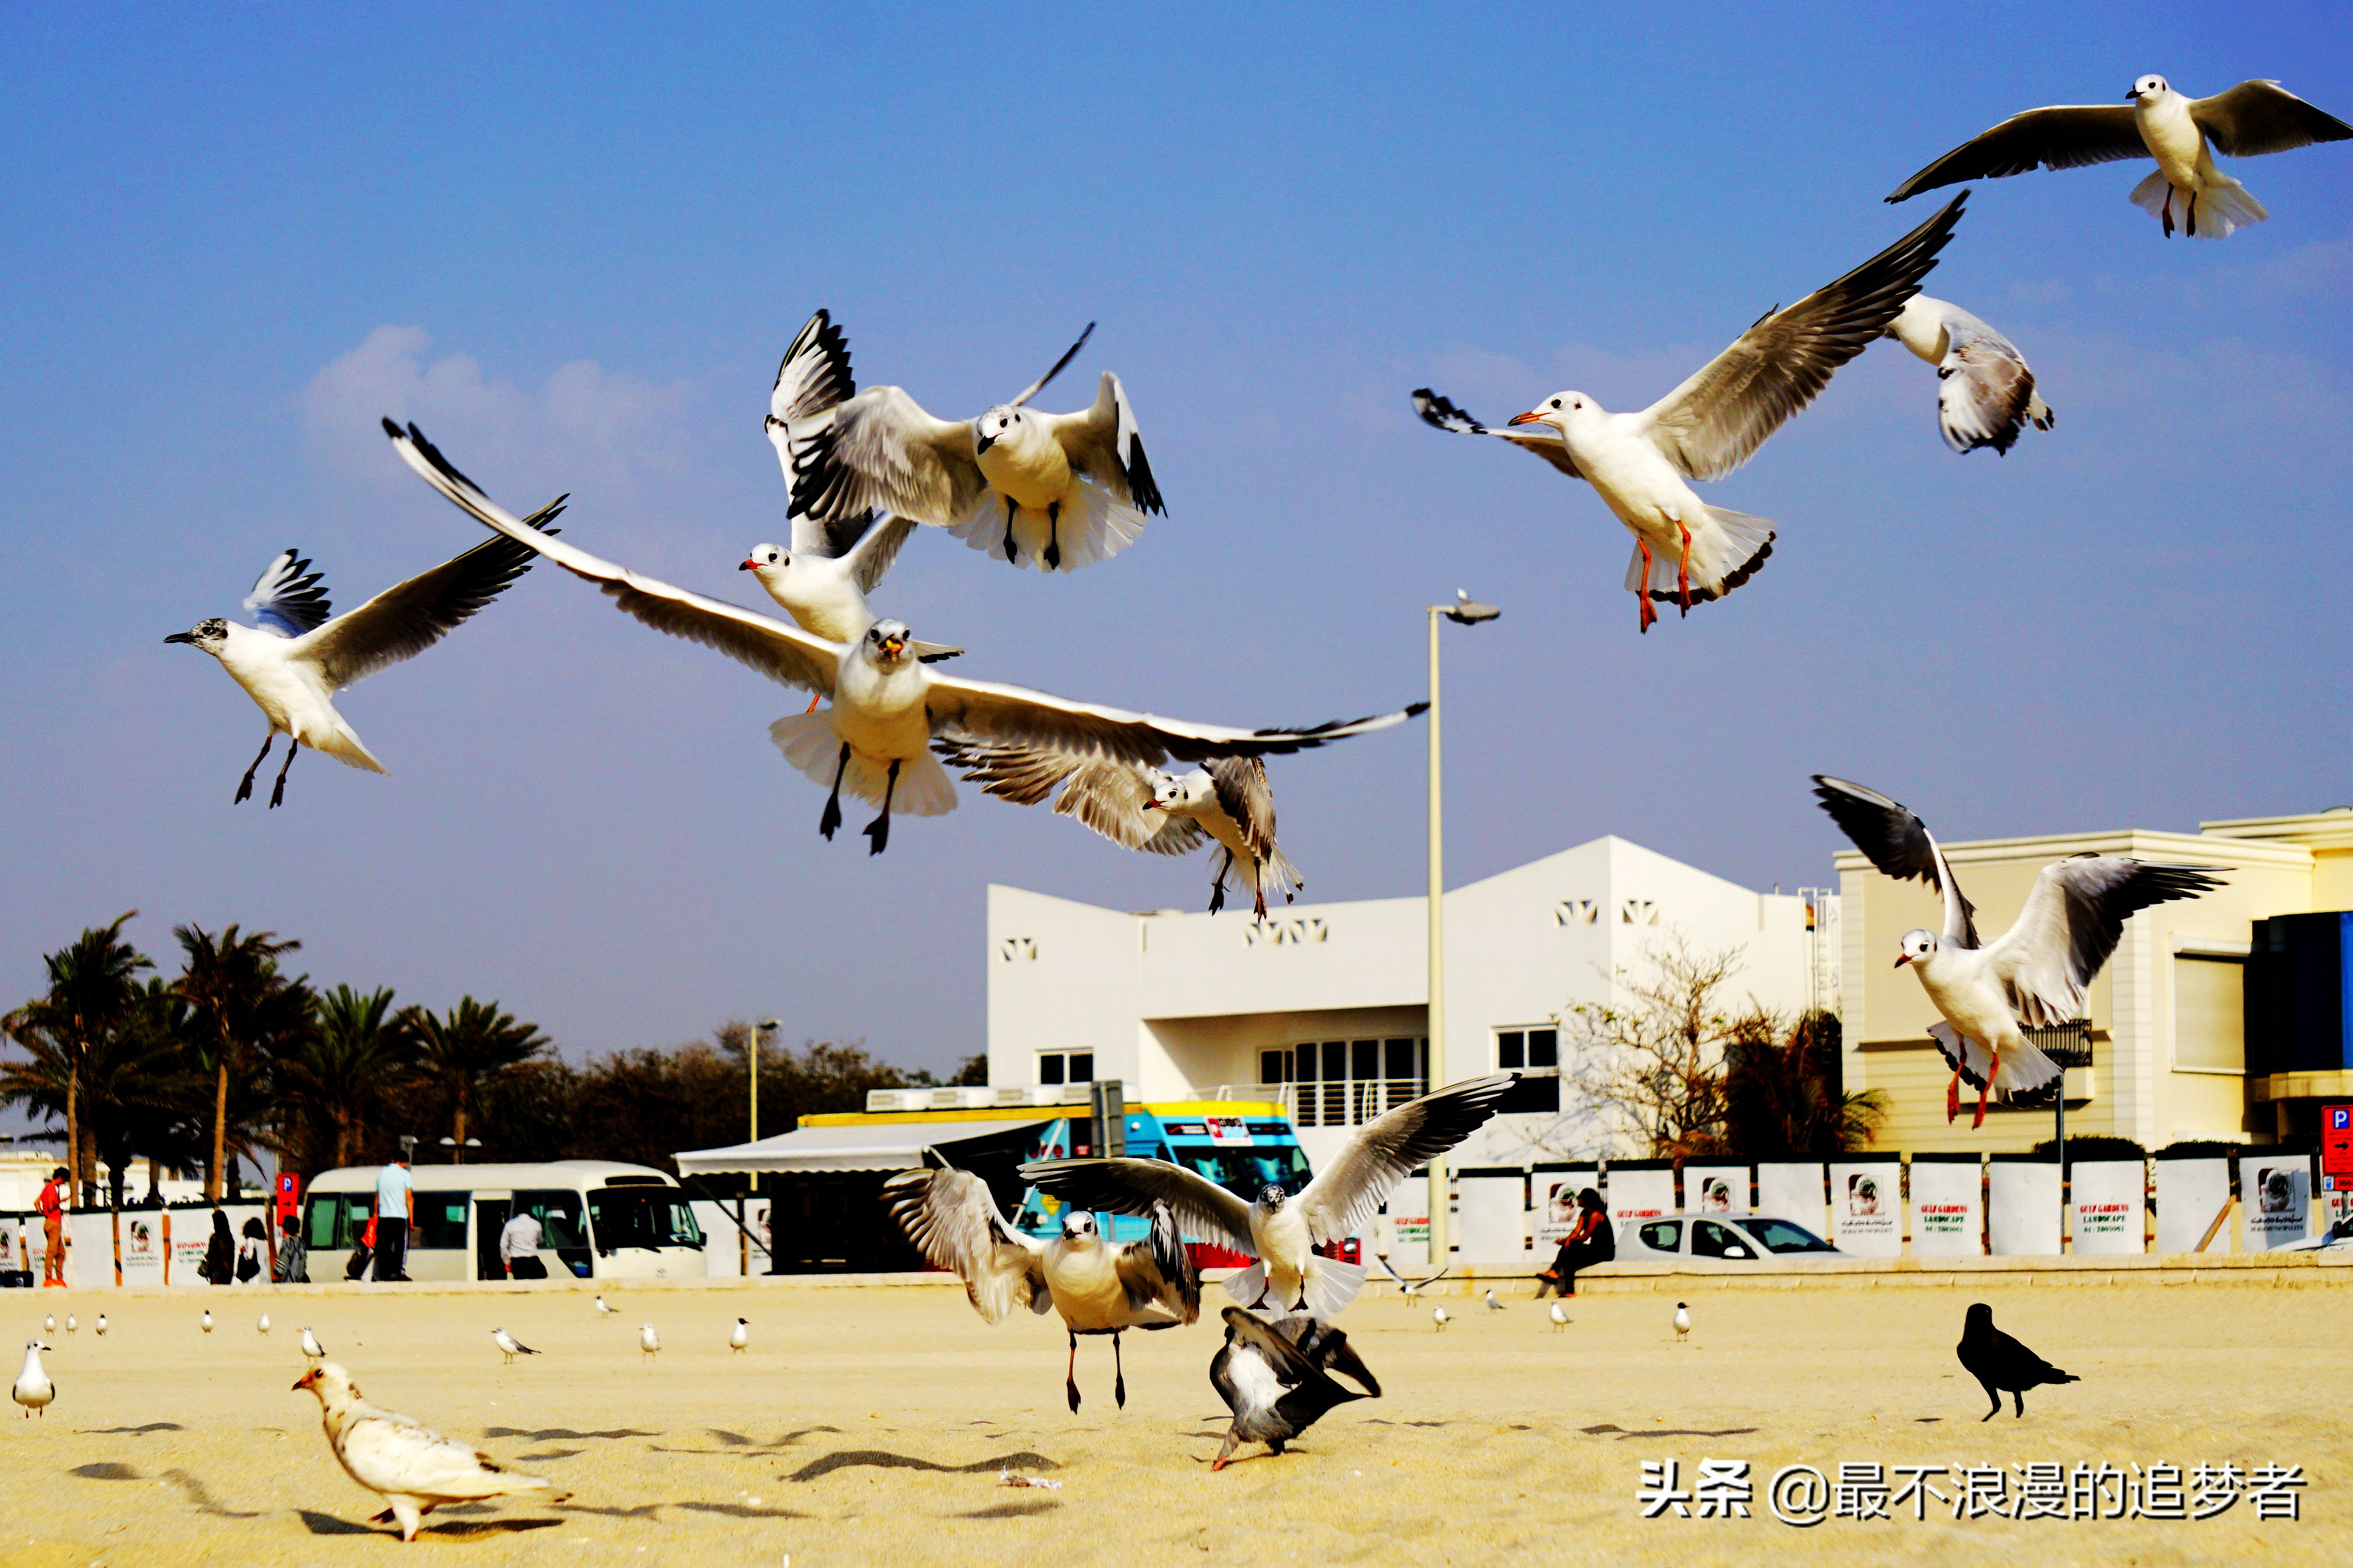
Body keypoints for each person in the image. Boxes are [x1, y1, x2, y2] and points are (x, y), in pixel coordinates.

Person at [1536, 1188, 1614, 1298]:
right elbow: (1576, 1231)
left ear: (1586, 1200)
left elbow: (1585, 1237)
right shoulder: (1584, 1213)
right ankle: (1569, 1290)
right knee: (1569, 1255)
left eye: (1579, 1198)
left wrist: (1567, 1241)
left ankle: (1554, 1271)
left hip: (1604, 1252)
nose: (1577, 1200)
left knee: (1571, 1246)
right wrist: (1568, 1240)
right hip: (1594, 1248)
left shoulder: (1596, 1215)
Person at [373, 1156, 414, 1282]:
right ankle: (398, 1273)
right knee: (400, 1246)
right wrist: (411, 1221)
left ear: (392, 1160)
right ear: (406, 1163)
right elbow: (409, 1198)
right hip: (400, 1217)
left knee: (383, 1247)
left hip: (384, 1217)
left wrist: (375, 1214)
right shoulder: (405, 1174)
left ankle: (384, 1275)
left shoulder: (382, 1174)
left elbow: (377, 1197)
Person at [35, 1168, 66, 1287]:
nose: (63, 1183)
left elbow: (36, 1202)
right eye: (64, 1180)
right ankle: (49, 1278)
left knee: (61, 1253)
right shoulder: (52, 1188)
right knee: (52, 1252)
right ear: (60, 1178)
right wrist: (61, 1201)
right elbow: (51, 1206)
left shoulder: (46, 1188)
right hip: (54, 1222)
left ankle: (59, 1278)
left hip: (49, 1221)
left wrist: (42, 1212)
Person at [499, 1207, 547, 1281]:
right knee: (542, 1275)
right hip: (532, 1260)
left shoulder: (510, 1224)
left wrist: (506, 1262)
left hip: (516, 1261)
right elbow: (541, 1241)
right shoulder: (536, 1224)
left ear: (518, 1210)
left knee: (520, 1282)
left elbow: (503, 1245)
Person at [273, 1211, 309, 1283]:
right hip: (300, 1281)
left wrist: (277, 1270)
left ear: (286, 1228)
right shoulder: (301, 1242)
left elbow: (281, 1265)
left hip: (289, 1281)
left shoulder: (287, 1242)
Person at [201, 1208, 234, 1287]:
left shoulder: (215, 1237)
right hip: (228, 1271)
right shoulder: (230, 1238)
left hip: (216, 1271)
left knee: (215, 1292)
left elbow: (210, 1253)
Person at [236, 1216, 268, 1283]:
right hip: (265, 1273)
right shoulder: (264, 1242)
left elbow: (249, 1256)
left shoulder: (250, 1240)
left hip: (254, 1275)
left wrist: (243, 1251)